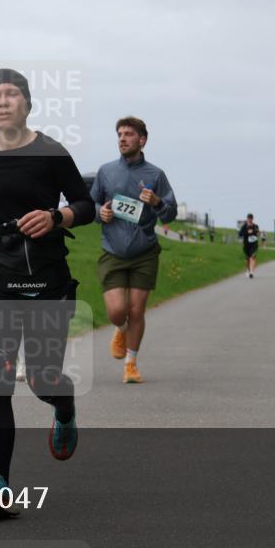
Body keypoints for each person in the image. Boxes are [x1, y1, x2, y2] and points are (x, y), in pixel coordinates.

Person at [0, 68, 95, 518]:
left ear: (28, 103)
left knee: (44, 379)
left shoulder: (52, 152)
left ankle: (63, 407)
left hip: (45, 277)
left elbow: (85, 205)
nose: (3, 101)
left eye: (11, 94)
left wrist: (56, 217)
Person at [90, 116, 177, 384]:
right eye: (119, 134)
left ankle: (131, 365)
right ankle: (121, 328)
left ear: (142, 140)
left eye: (128, 134)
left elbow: (170, 214)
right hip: (113, 251)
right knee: (117, 310)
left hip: (144, 252)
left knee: (137, 310)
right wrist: (100, 213)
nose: (122, 139)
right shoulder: (106, 172)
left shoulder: (155, 175)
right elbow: (89, 205)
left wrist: (157, 201)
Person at [238, 213, 261, 278]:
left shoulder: (255, 226)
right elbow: (240, 234)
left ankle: (251, 272)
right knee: (247, 259)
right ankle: (248, 270)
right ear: (247, 219)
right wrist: (247, 232)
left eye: (251, 219)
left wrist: (257, 233)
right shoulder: (244, 226)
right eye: (249, 218)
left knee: (253, 257)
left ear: (252, 219)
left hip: (254, 244)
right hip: (246, 244)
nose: (250, 220)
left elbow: (258, 234)